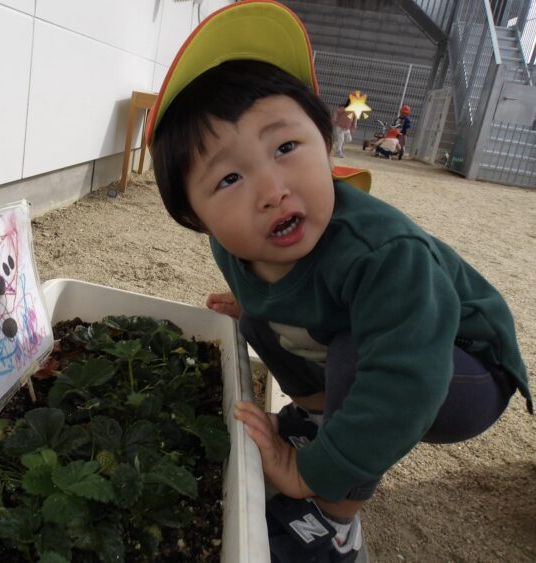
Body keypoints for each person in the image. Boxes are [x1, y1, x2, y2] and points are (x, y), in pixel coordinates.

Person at [144, 1, 531, 561]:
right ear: (196, 217)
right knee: (258, 316)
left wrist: (311, 474)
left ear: (327, 146)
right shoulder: (234, 245)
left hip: (463, 368)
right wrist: (253, 305)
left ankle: (334, 517)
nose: (271, 190)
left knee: (357, 359)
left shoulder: (384, 254)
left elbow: (404, 383)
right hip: (388, 347)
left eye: (285, 148)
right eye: (228, 178)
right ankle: (318, 418)